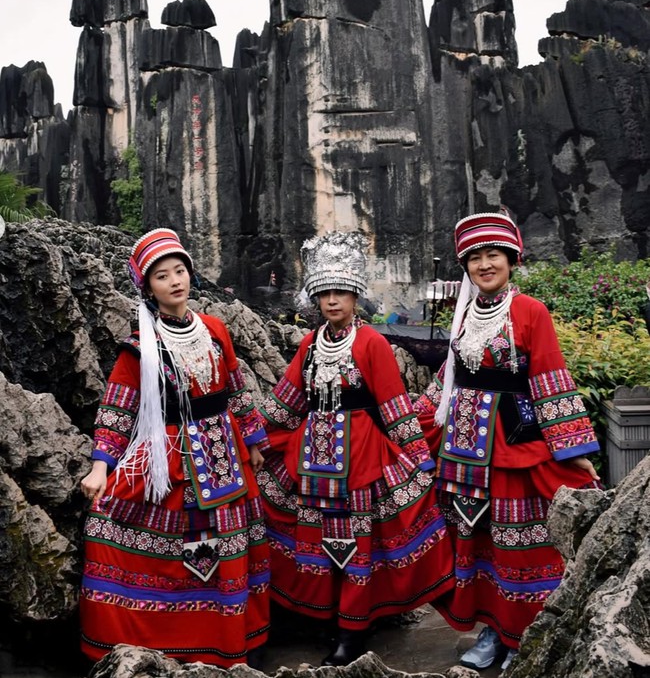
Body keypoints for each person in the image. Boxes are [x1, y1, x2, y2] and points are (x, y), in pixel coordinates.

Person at [256, 231, 455, 666]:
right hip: (312, 463)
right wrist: (253, 440)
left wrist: (419, 461)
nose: (332, 302)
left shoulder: (372, 343)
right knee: (319, 544)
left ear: (354, 295)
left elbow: (395, 406)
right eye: (324, 293)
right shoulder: (310, 345)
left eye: (340, 293)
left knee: (353, 547)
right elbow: (287, 402)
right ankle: (326, 619)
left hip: (360, 462)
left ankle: (352, 629)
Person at [414, 212, 601, 672]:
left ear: (512, 260)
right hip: (464, 449)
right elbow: (449, 380)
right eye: (474, 257)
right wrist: (409, 426)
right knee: (480, 544)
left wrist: (574, 452)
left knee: (521, 544)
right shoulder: (463, 316)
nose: (484, 265)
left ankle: (524, 632)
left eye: (492, 255)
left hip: (513, 446)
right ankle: (493, 630)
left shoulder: (529, 311)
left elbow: (551, 379)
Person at [79, 228, 270, 667]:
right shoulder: (140, 347)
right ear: (149, 288)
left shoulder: (215, 329)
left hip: (224, 453)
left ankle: (227, 646)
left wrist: (255, 439)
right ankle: (158, 644)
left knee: (225, 547)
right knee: (111, 525)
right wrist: (100, 467)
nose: (175, 281)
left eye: (180, 271)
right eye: (163, 276)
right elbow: (117, 408)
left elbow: (236, 387)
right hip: (166, 457)